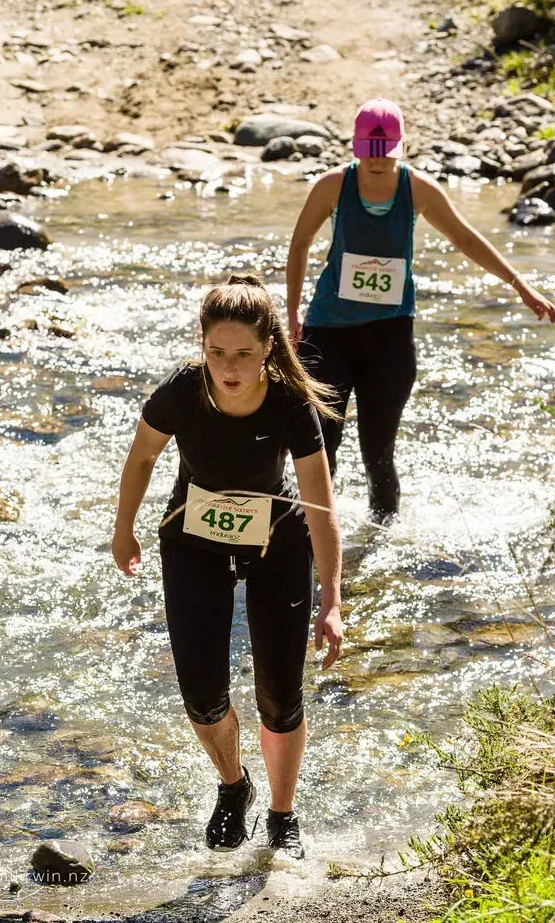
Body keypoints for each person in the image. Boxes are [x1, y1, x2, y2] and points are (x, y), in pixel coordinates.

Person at [112, 275, 344, 859]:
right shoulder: (181, 392)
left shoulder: (291, 403)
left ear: (268, 345)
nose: (229, 366)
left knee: (279, 695)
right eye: (217, 353)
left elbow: (320, 502)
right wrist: (123, 528)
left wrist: (333, 598)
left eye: (243, 353)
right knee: (202, 692)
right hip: (193, 543)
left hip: (278, 545)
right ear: (202, 346)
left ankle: (283, 815)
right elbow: (142, 458)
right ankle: (233, 785)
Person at [287, 97, 555, 523]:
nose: (376, 163)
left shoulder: (420, 189)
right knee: (323, 448)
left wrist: (519, 283)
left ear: (402, 147)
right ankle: (309, 546)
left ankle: (378, 547)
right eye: (368, 153)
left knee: (378, 452)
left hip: (390, 336)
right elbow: (299, 244)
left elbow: (466, 239)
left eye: (386, 153)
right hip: (328, 332)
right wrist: (293, 313)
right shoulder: (333, 185)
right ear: (355, 146)